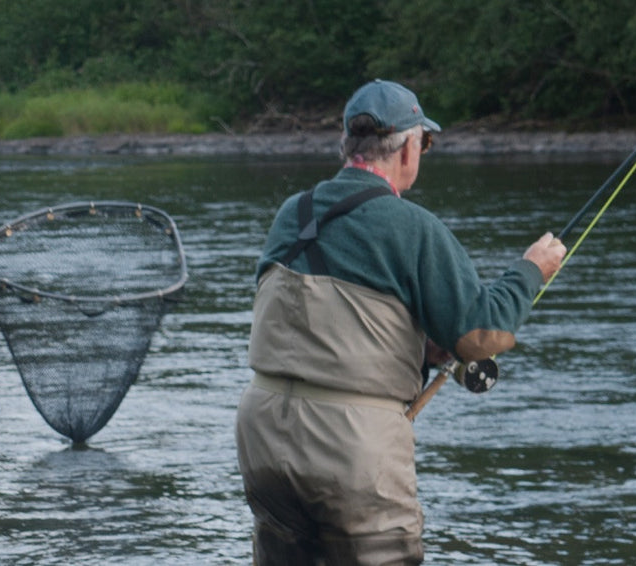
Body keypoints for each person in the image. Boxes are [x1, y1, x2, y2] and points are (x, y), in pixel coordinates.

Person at [234, 79, 567, 565]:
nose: (423, 152)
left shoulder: (294, 213)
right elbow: (480, 334)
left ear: (347, 145)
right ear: (409, 147)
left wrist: (418, 348)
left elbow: (311, 319)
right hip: (350, 451)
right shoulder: (412, 227)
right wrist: (531, 271)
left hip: (263, 437)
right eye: (425, 142)